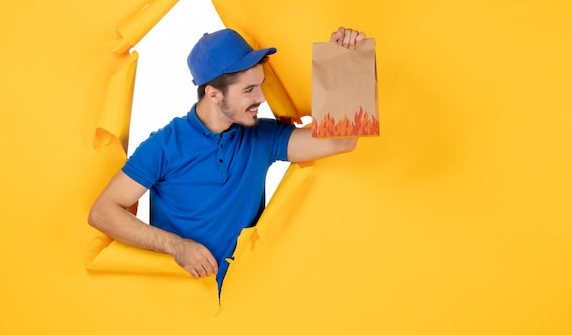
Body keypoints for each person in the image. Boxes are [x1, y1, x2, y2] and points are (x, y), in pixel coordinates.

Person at [88, 26, 366, 292]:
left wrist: (343, 60)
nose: (261, 98)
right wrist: (178, 246)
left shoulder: (262, 136)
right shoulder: (164, 145)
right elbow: (103, 212)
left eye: (261, 86)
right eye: (249, 90)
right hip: (175, 304)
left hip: (244, 303)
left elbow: (341, 140)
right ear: (213, 94)